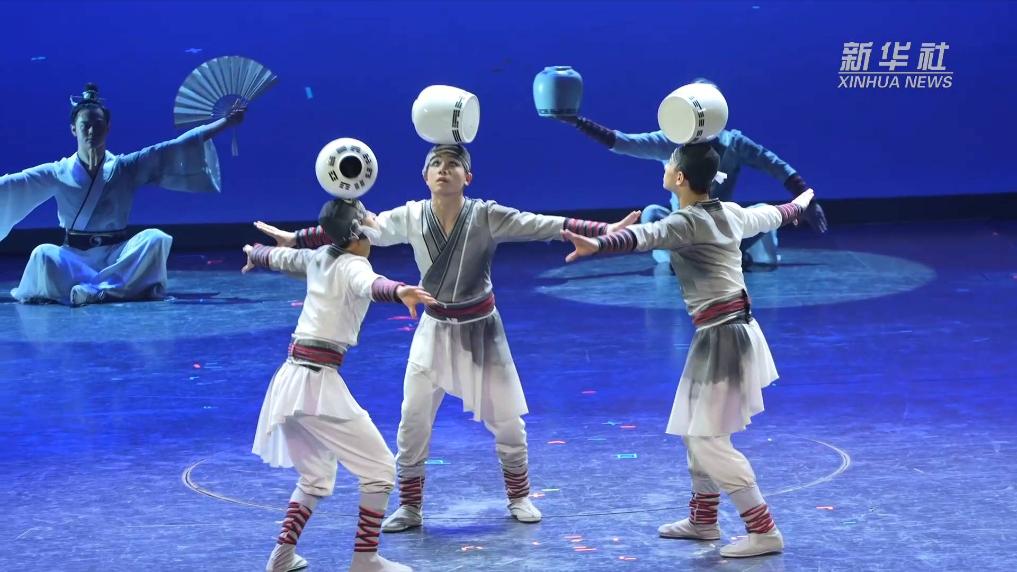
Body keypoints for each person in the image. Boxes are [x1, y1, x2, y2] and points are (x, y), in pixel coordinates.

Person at [253, 143, 639, 532]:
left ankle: (519, 496)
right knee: (413, 420)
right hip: (434, 330)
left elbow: (540, 224)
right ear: (425, 176)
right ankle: (410, 506)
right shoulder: (410, 216)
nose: (442, 169)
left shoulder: (487, 215)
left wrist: (602, 230)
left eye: (452, 164)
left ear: (467, 177)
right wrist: (296, 238)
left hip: (481, 331)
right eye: (435, 164)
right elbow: (354, 227)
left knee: (507, 421)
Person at [561, 142, 815, 558]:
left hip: (724, 337)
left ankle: (763, 530)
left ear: (679, 177)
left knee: (706, 440)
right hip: (725, 332)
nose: (665, 166)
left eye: (670, 163)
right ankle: (703, 520)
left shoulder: (685, 222)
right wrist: (802, 201)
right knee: (697, 428)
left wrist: (599, 246)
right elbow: (774, 213)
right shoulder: (730, 212)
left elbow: (646, 235)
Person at [245, 197, 434, 572]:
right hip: (315, 383)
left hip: (290, 379)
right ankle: (365, 560)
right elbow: (372, 285)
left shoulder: (318, 258)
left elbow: (279, 258)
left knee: (315, 476)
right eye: (368, 218)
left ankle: (281, 558)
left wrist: (256, 252)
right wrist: (401, 291)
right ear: (358, 232)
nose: (375, 221)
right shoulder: (353, 265)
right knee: (380, 469)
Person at [0, 83, 243, 306]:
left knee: (155, 239)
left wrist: (224, 123)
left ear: (108, 127)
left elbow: (172, 148)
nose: (91, 131)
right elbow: (13, 185)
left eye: (98, 124)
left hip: (116, 255)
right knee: (43, 254)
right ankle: (112, 289)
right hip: (74, 257)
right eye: (85, 125)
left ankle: (94, 291)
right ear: (74, 129)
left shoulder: (124, 167)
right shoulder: (58, 172)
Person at [553, 78, 826, 268]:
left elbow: (776, 168)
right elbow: (624, 142)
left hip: (721, 228)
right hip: (681, 231)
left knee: (758, 214)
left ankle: (718, 255)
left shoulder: (734, 145)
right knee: (652, 215)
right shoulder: (670, 140)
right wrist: (579, 122)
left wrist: (806, 202)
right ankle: (686, 258)